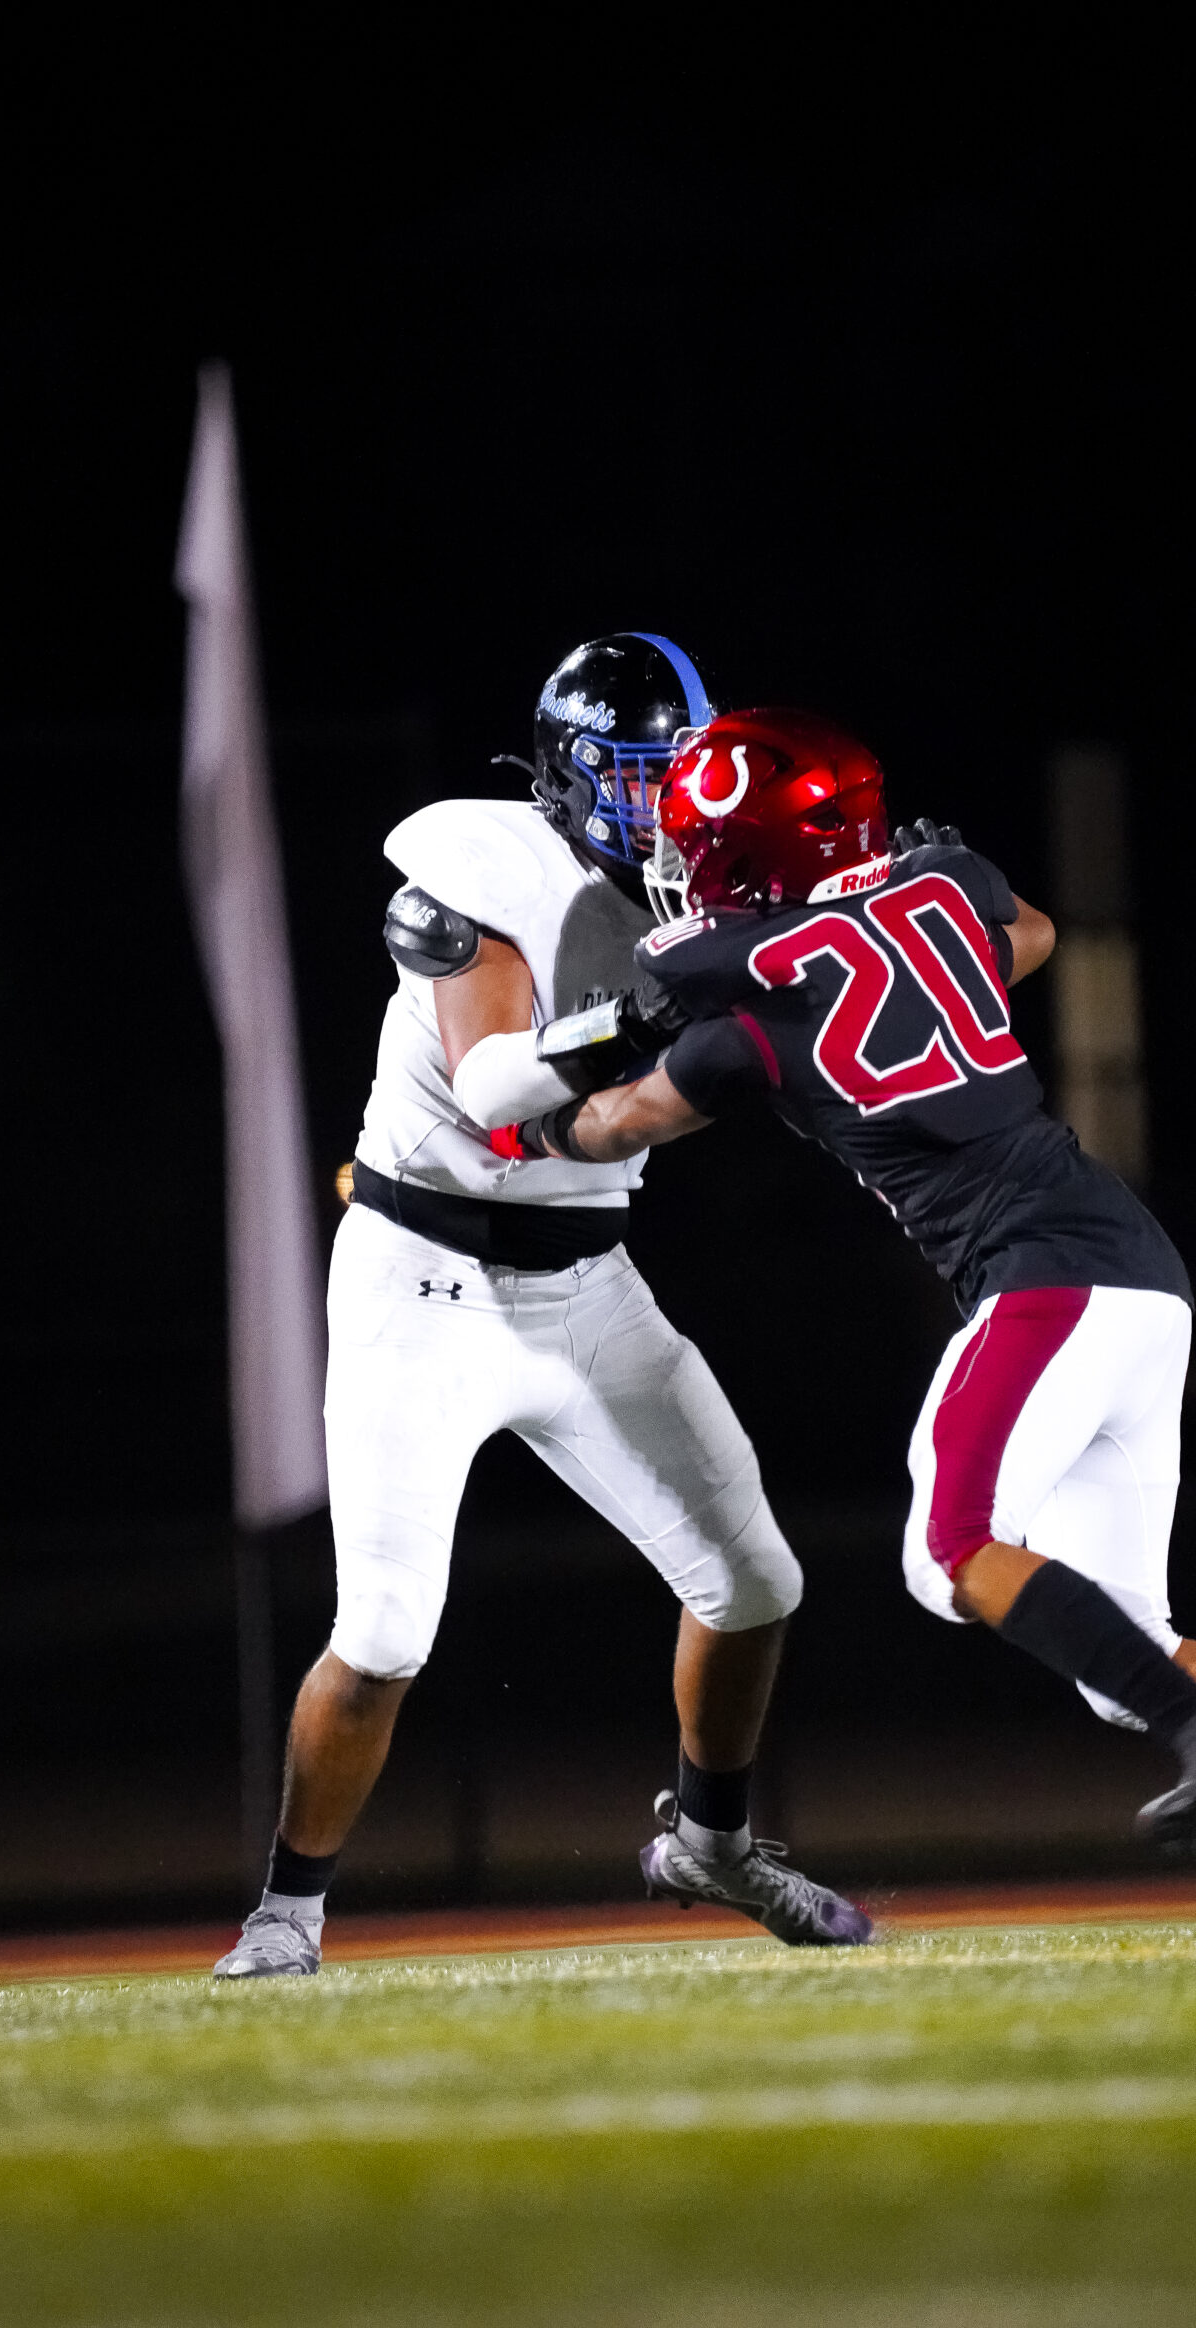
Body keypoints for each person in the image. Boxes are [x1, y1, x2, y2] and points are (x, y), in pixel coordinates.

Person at [491, 706, 1196, 1890]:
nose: (678, 875)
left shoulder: (750, 1005)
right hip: (1141, 1281)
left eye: (694, 849)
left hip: (1045, 1287)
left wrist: (516, 1131)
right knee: (1120, 1657)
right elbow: (1021, 932)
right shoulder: (942, 887)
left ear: (744, 855)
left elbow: (621, 1117)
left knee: (948, 1552)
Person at [214, 641, 872, 1980]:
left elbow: (971, 945)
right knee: (384, 1629)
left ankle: (711, 1843)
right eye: (618, 774)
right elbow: (497, 1085)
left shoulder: (722, 878)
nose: (644, 803)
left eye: (662, 773)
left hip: (585, 1279)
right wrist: (652, 1007)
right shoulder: (486, 855)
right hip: (421, 1278)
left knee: (754, 1583)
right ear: (562, 770)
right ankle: (285, 1914)